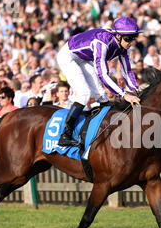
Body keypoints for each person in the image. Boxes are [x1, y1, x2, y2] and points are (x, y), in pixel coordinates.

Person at [56, 16, 141, 147]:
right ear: (118, 36)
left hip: (84, 57)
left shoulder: (122, 46)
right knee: (84, 94)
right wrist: (124, 94)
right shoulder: (102, 42)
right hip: (68, 57)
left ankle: (102, 128)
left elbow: (127, 71)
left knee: (101, 95)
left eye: (133, 38)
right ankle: (65, 135)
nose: (130, 42)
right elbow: (103, 74)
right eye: (127, 39)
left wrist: (136, 90)